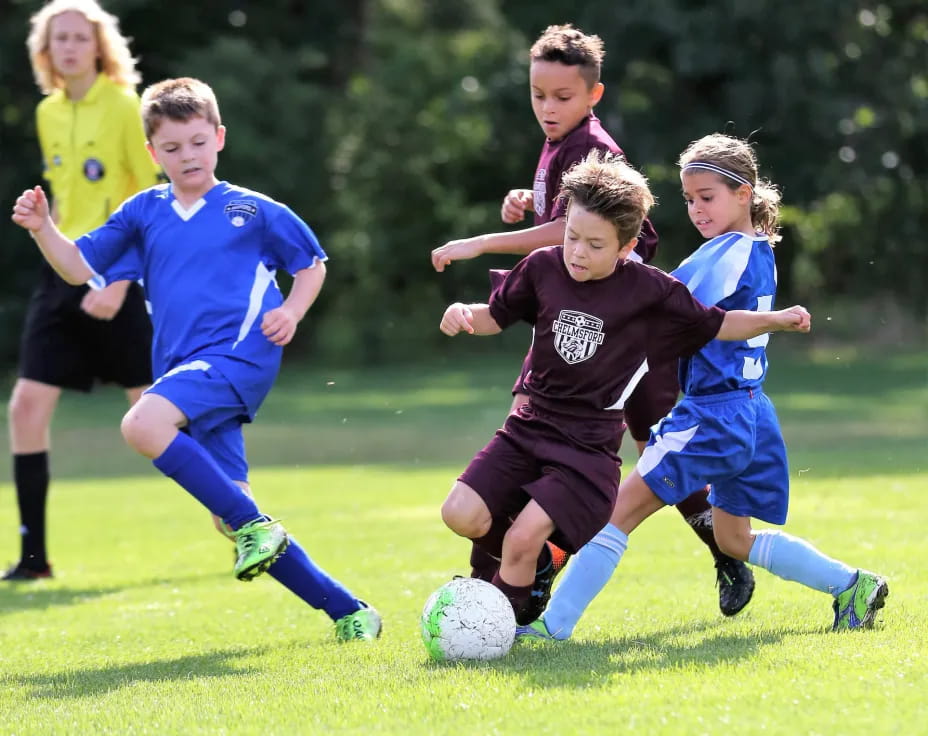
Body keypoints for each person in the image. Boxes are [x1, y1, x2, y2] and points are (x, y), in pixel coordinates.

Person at [10, 76, 382, 642]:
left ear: (219, 138)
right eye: (173, 147)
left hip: (239, 356)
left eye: (198, 142)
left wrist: (295, 312)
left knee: (141, 422)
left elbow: (312, 263)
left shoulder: (251, 210)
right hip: (186, 374)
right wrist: (44, 230)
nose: (188, 156)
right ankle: (350, 612)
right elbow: (77, 265)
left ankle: (254, 527)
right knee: (231, 516)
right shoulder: (144, 213)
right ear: (153, 153)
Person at [431, 23, 754, 619]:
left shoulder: (591, 146)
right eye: (538, 95)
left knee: (651, 452)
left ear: (592, 97)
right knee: (545, 426)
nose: (548, 108)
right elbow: (565, 218)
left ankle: (723, 547)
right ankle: (515, 575)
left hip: (632, 331)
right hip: (582, 318)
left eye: (563, 98)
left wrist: (480, 242)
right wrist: (526, 198)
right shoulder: (562, 145)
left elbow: (567, 233)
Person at [517, 134, 888, 641]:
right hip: (751, 413)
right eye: (689, 199)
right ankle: (852, 585)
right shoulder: (756, 249)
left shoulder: (728, 253)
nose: (696, 209)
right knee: (734, 539)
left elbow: (664, 304)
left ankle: (552, 629)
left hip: (712, 415)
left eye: (706, 197)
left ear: (744, 193)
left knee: (616, 514)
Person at [438, 149, 810, 626]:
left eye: (595, 244)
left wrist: (774, 320)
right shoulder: (543, 267)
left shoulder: (650, 291)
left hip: (585, 446)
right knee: (460, 513)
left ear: (627, 244)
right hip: (527, 429)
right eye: (572, 236)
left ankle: (502, 620)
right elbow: (497, 315)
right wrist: (467, 314)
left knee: (523, 541)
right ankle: (519, 573)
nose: (577, 252)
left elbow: (716, 323)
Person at [4, 0, 160, 581]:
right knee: (24, 408)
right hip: (61, 274)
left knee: (158, 417)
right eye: (58, 38)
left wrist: (119, 281)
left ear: (99, 46)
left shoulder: (125, 107)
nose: (69, 47)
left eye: (79, 37)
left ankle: (239, 522)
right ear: (45, 50)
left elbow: (151, 207)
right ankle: (33, 559)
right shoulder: (47, 112)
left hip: (119, 275)